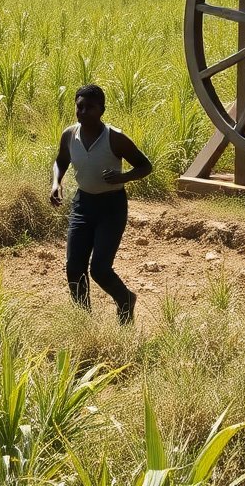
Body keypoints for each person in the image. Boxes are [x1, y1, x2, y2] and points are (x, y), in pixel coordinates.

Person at [49, 84, 152, 324]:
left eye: (90, 107)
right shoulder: (69, 135)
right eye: (80, 107)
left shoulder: (114, 138)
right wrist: (56, 182)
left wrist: (123, 177)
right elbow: (60, 161)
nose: (83, 112)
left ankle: (125, 299)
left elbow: (145, 166)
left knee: (100, 269)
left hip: (111, 208)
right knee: (74, 269)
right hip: (83, 205)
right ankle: (84, 322)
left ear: (102, 110)